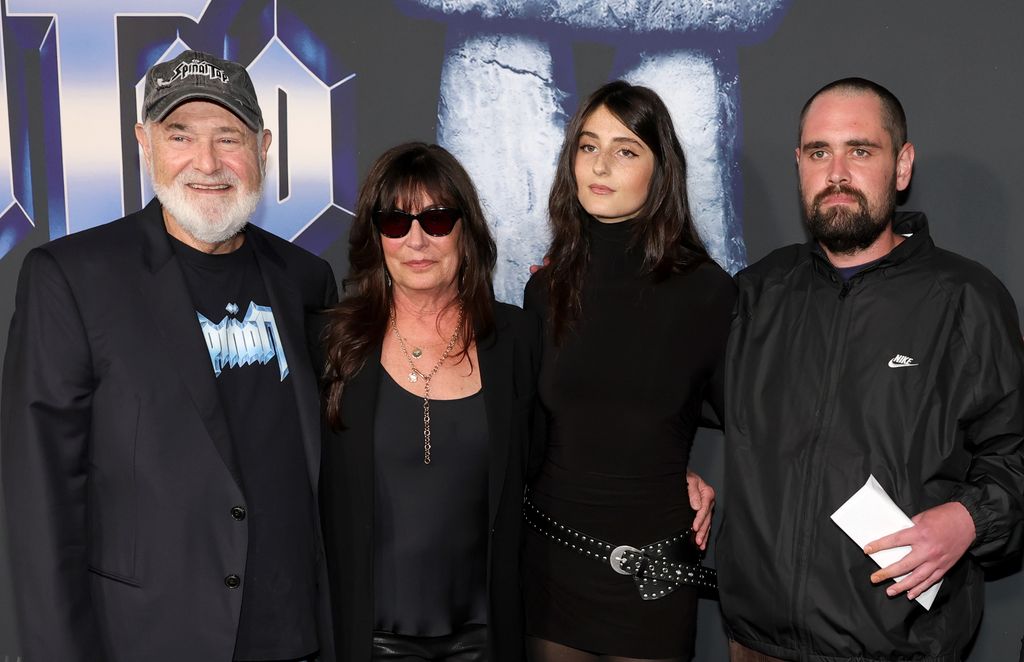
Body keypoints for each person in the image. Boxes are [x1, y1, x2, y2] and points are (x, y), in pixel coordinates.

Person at [1, 50, 338, 662]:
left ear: (263, 148)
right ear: (145, 143)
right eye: (180, 136)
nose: (206, 163)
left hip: (295, 638)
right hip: (148, 641)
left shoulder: (306, 280)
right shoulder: (72, 278)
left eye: (228, 137)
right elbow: (38, 501)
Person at [718, 77, 1024, 661]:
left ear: (901, 165)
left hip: (898, 647)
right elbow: (667, 397)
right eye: (818, 152)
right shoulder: (756, 293)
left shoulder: (966, 299)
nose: (836, 173)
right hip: (756, 644)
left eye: (859, 150)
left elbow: (1014, 452)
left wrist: (969, 519)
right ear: (799, 165)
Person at [521, 81, 735, 662]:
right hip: (553, 561)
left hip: (652, 573)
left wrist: (700, 475)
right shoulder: (545, 290)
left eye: (626, 150)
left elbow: (747, 423)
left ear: (660, 171)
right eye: (588, 146)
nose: (601, 165)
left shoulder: (707, 292)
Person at [317, 142, 541, 661]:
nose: (416, 240)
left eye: (436, 220)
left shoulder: (518, 339)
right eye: (396, 222)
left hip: (487, 636)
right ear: (376, 237)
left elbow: (556, 460)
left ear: (466, 229)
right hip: (369, 637)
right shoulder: (331, 344)